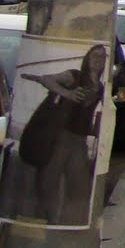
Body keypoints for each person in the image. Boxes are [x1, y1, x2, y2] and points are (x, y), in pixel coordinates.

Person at [19, 44, 106, 227]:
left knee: (80, 187)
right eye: (94, 56)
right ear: (87, 59)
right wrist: (68, 93)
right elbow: (47, 79)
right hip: (61, 138)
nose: (98, 59)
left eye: (102, 56)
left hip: (79, 142)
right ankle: (44, 224)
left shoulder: (101, 87)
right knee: (49, 184)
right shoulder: (74, 76)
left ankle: (69, 226)